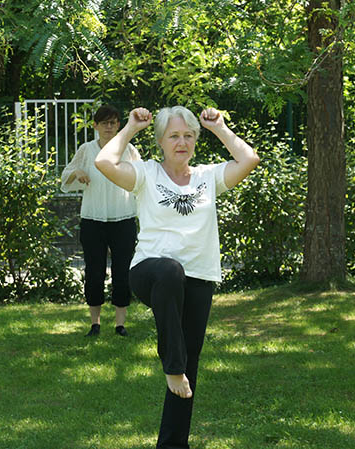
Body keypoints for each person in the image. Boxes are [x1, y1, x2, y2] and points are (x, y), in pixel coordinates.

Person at [95, 106, 259, 448]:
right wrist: (129, 128)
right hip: (151, 272)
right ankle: (171, 363)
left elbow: (249, 160)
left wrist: (220, 128)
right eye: (174, 136)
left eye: (188, 135)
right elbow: (104, 163)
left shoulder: (207, 176)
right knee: (171, 272)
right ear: (160, 142)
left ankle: (172, 443)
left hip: (198, 278)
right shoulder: (145, 173)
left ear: (196, 141)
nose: (181, 142)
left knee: (190, 364)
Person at [61, 105, 141, 337]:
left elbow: (141, 178)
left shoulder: (128, 150)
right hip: (93, 220)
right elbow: (66, 176)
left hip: (123, 219)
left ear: (119, 125)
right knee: (94, 272)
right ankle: (95, 324)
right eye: (104, 122)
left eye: (114, 122)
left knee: (122, 271)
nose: (109, 127)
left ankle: (120, 324)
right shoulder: (86, 150)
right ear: (94, 125)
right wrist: (77, 174)